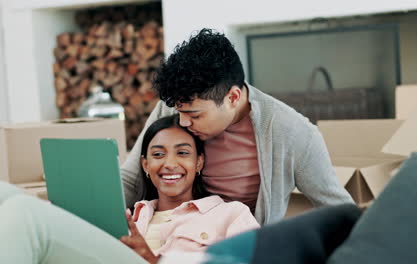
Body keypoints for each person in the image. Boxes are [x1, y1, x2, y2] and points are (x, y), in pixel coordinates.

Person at [121, 28, 353, 225]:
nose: (182, 122)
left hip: (239, 247)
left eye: (194, 115)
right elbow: (131, 179)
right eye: (179, 112)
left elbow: (337, 209)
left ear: (232, 97)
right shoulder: (175, 106)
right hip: (169, 232)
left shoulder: (293, 134)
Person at [0, 114, 259, 264]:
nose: (169, 164)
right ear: (145, 165)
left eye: (182, 153)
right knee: (6, 194)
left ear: (199, 162)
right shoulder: (129, 214)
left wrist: (155, 260)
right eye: (158, 154)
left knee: (24, 212)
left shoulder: (231, 214)